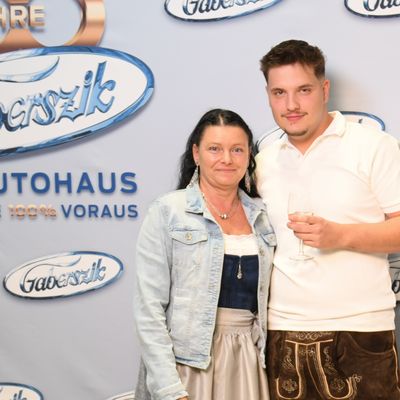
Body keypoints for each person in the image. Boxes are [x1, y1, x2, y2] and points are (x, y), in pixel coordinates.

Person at [255, 39, 400, 400]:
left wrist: (339, 235)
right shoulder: (262, 161)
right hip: (281, 334)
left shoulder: (373, 146)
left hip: (360, 332)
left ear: (324, 89)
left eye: (303, 90)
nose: (291, 105)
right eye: (279, 92)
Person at [133, 108, 276, 400]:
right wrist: (170, 390)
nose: (227, 159)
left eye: (237, 149)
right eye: (215, 149)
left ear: (249, 156)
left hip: (248, 363)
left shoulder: (263, 217)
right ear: (196, 154)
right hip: (188, 366)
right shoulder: (168, 211)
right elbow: (149, 309)